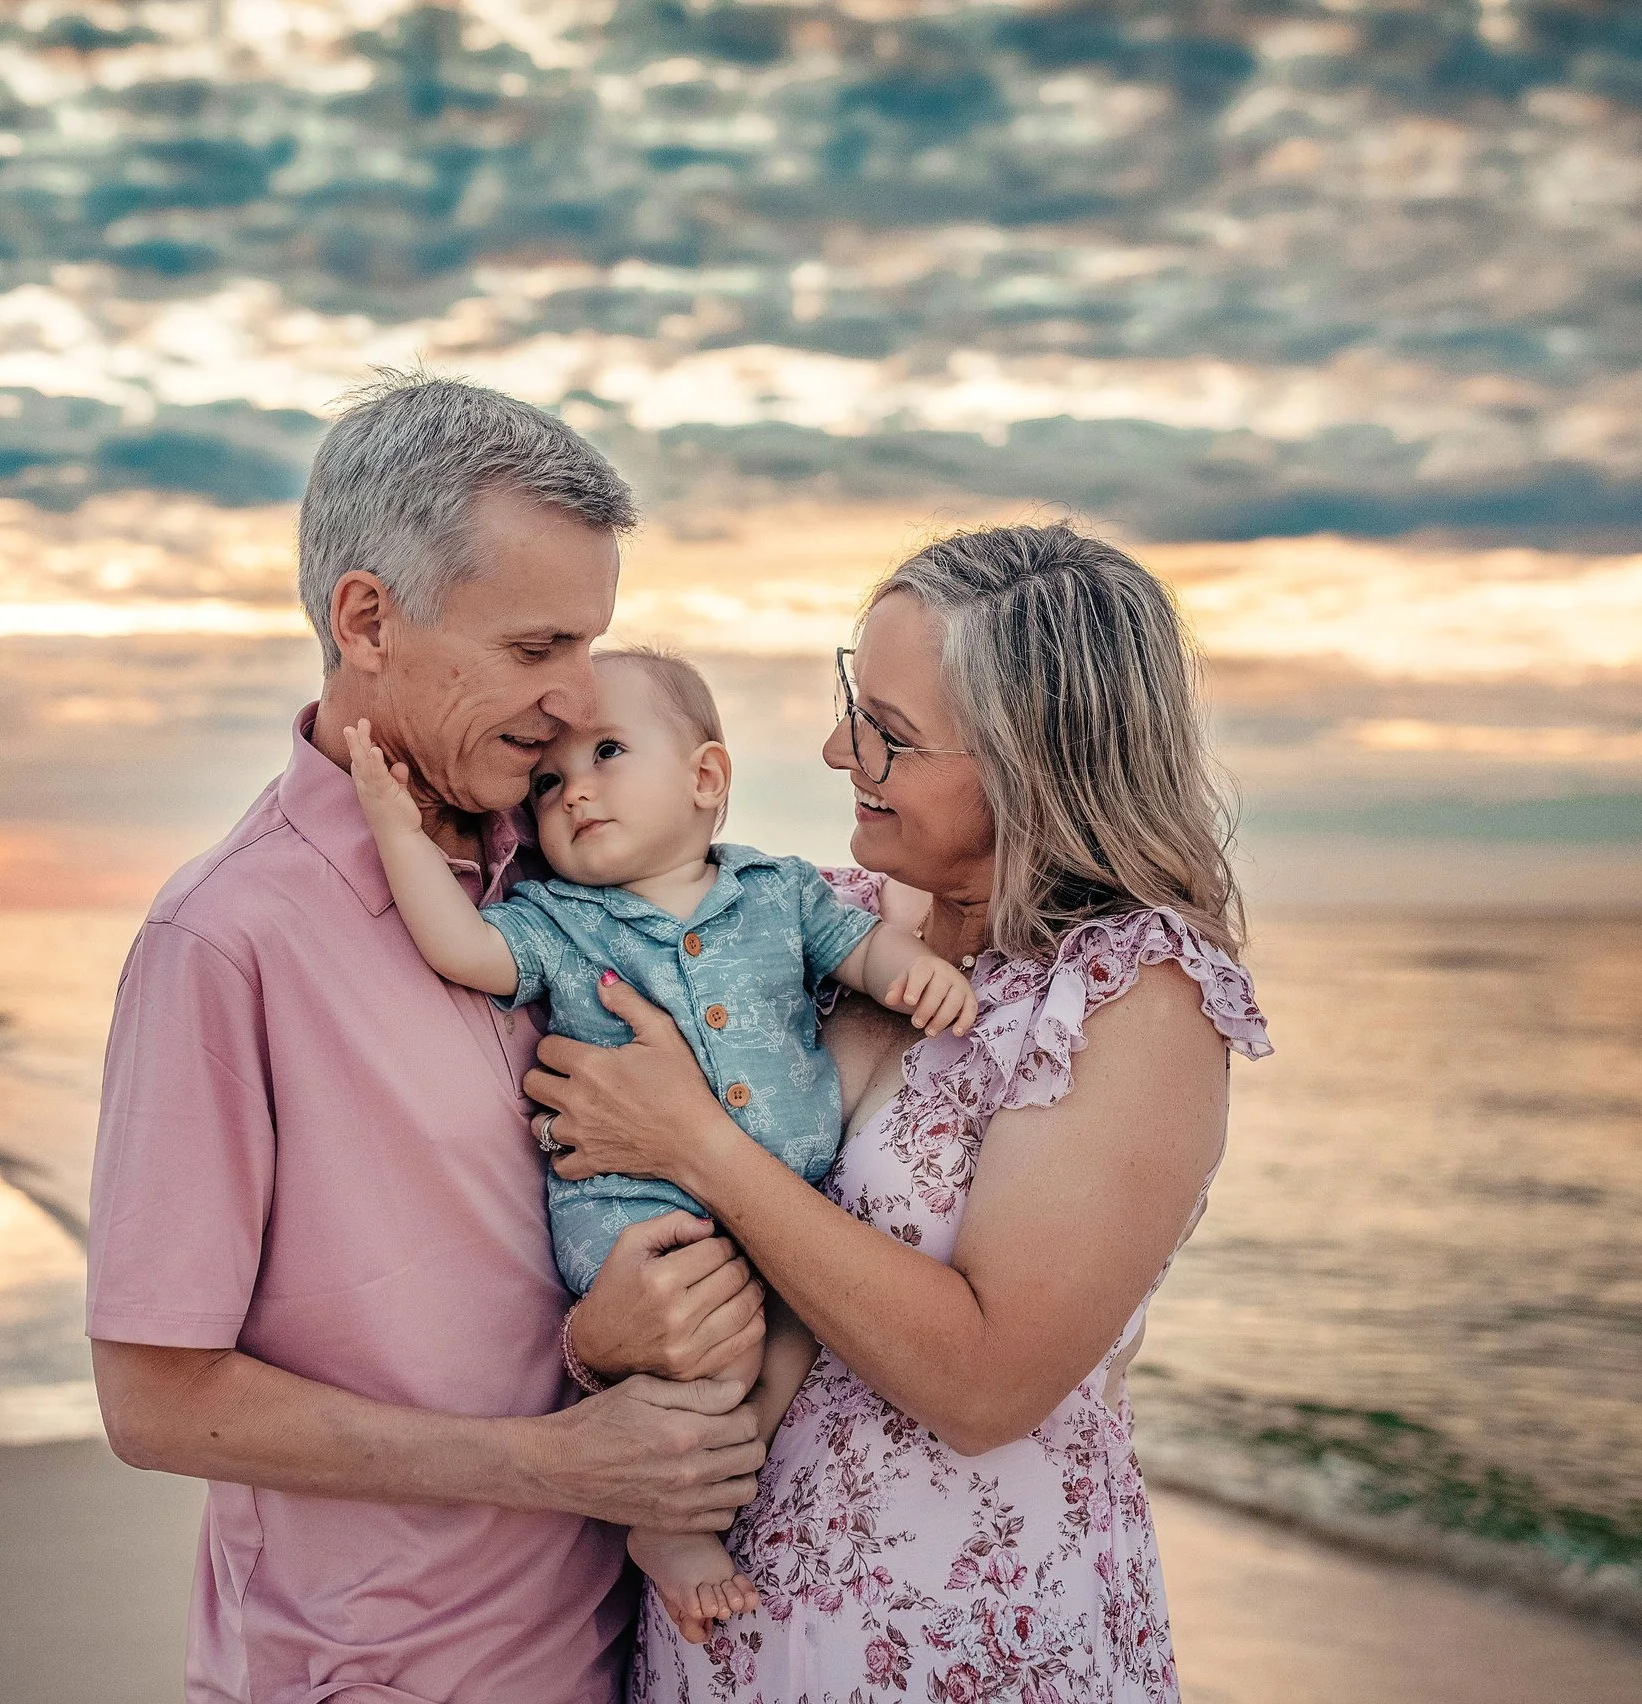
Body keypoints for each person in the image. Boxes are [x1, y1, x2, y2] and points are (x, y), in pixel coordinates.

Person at [85, 375, 771, 1704]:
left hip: (631, 1654)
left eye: (591, 649)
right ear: (367, 621)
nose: (576, 704)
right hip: (383, 1676)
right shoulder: (225, 940)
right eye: (535, 650)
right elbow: (156, 1402)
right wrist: (555, 1464)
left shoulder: (571, 882)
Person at [519, 523, 1275, 1700]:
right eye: (849, 699)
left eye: (889, 732)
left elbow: (986, 1383)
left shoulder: (1135, 993)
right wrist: (601, 1338)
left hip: (962, 1643)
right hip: (720, 1631)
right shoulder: (810, 919)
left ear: (1037, 760)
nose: (836, 750)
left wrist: (700, 1147)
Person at [339, 645, 976, 1642]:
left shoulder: (780, 889)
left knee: (789, 1348)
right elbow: (460, 948)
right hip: (644, 1222)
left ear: (705, 779)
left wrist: (912, 975)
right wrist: (393, 830)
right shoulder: (557, 918)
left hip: (779, 1204)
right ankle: (668, 1527)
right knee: (712, 1359)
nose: (573, 789)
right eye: (547, 782)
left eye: (606, 753)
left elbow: (860, 952)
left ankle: (698, 1500)